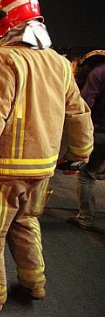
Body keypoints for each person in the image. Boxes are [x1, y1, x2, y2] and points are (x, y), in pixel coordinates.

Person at [0, 0, 93, 312]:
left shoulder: (4, 59)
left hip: (5, 171)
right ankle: (34, 283)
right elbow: (78, 113)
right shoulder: (58, 63)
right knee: (26, 224)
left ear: (5, 20)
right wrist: (79, 156)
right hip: (43, 170)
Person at [67, 50, 105, 230]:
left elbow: (85, 103)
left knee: (87, 175)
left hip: (100, 130)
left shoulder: (99, 73)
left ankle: (85, 217)